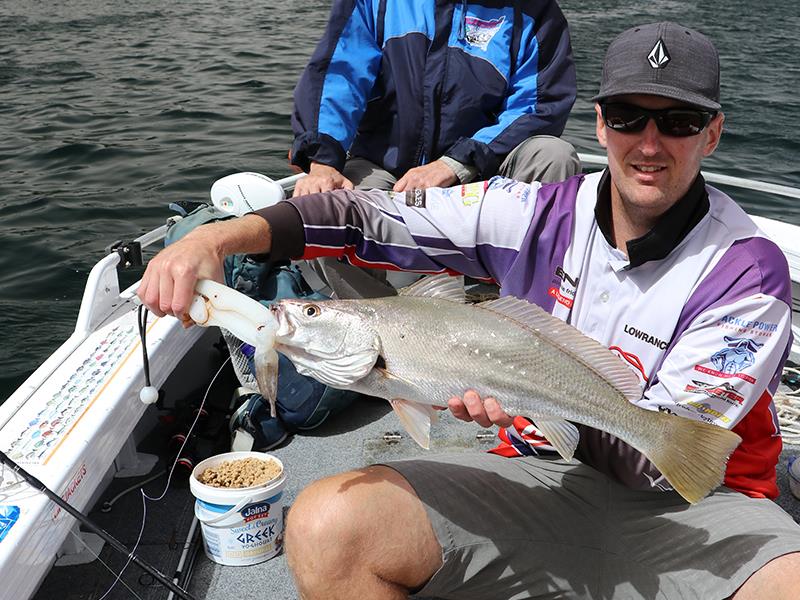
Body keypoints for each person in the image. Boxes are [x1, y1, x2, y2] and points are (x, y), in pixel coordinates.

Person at [139, 21, 800, 600]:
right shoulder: (534, 210)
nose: (650, 143)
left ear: (712, 133)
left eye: (678, 122)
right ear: (600, 123)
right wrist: (215, 238)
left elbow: (662, 459)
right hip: (540, 474)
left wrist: (530, 391)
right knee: (324, 526)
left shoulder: (747, 271)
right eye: (629, 116)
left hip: (694, 504)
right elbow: (363, 217)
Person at [290, 0, 580, 299]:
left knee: (553, 155)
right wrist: (322, 160)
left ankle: (501, 306)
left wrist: (455, 163)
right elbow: (340, 75)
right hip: (385, 169)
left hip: (482, 172)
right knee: (322, 208)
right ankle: (385, 321)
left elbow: (539, 105)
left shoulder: (535, 11)